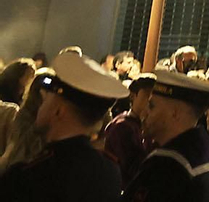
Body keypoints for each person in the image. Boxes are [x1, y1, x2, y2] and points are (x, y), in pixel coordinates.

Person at [0, 51, 125, 201]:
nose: (40, 106)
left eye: (46, 99)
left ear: (59, 111)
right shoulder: (109, 172)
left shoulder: (30, 175)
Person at [124, 69, 209, 202]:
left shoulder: (167, 163)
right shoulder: (205, 149)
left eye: (151, 106)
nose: (144, 112)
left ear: (175, 113)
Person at [102, 72, 154, 185]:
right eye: (146, 95)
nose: (150, 101)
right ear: (132, 96)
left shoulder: (142, 124)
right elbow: (135, 169)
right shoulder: (122, 127)